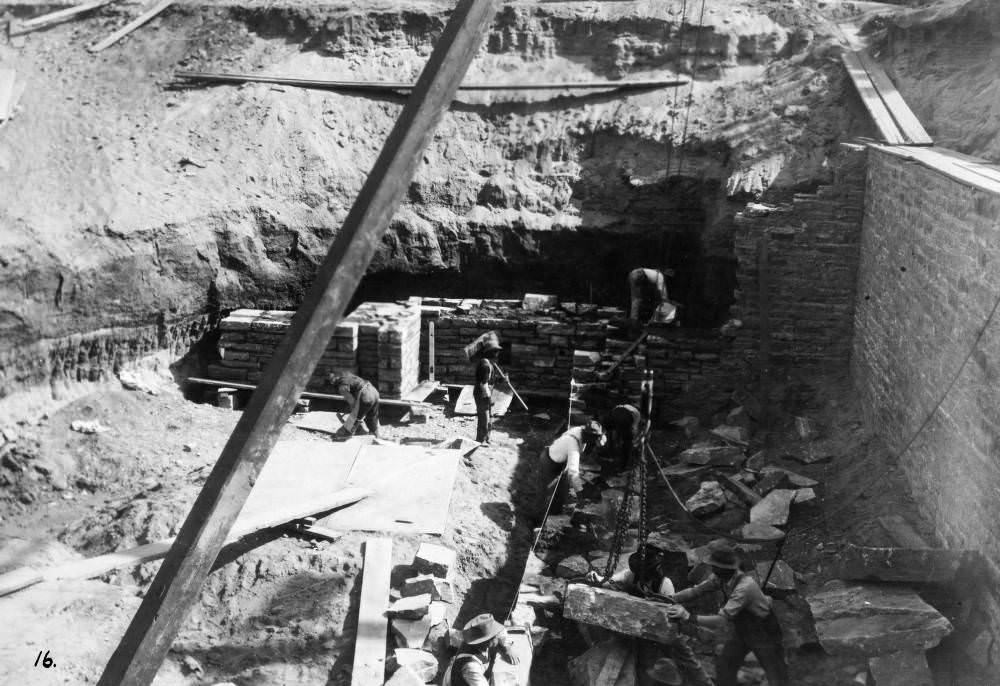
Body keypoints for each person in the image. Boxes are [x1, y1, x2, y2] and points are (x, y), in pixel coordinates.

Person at [666, 541, 790, 686]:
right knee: (726, 665)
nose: (712, 569)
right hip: (743, 630)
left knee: (775, 672)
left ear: (725, 569)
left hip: (764, 632)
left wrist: (688, 616)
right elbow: (695, 591)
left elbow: (721, 621)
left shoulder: (744, 587)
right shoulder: (720, 578)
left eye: (714, 567)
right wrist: (669, 598)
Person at [586, 546, 713, 686]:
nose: (642, 576)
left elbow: (669, 616)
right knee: (644, 662)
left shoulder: (665, 584)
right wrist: (597, 578)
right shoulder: (630, 575)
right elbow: (610, 582)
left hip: (660, 628)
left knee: (684, 656)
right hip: (636, 627)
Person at [537, 420, 604, 519]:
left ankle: (556, 513)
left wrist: (600, 440)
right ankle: (540, 519)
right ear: (588, 436)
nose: (593, 442)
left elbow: (598, 439)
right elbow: (573, 473)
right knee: (549, 494)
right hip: (549, 462)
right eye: (593, 439)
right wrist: (580, 495)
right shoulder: (573, 444)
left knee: (561, 491)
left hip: (558, 460)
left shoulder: (580, 430)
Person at [443, 613, 519, 686]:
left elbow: (502, 632)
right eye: (495, 635)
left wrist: (507, 647)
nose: (498, 636)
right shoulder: (471, 667)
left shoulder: (475, 640)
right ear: (488, 642)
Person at [329, 372, 381, 439]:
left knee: (352, 421)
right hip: (374, 391)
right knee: (372, 417)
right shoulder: (348, 375)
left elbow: (352, 403)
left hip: (366, 395)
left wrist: (353, 416)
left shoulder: (342, 387)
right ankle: (376, 437)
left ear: (334, 381)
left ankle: (344, 436)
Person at [604, 402, 642, 473]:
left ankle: (617, 458)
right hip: (620, 416)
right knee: (627, 441)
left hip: (616, 415)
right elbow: (633, 429)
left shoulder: (634, 414)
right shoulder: (637, 415)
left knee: (625, 440)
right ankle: (622, 463)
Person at [473, 344, 500, 444]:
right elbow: (483, 384)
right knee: (484, 418)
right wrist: (489, 399)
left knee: (489, 417)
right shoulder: (485, 365)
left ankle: (487, 438)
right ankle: (480, 440)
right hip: (482, 394)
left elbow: (491, 379)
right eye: (496, 352)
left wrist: (501, 379)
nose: (497, 354)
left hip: (486, 393)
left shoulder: (490, 364)